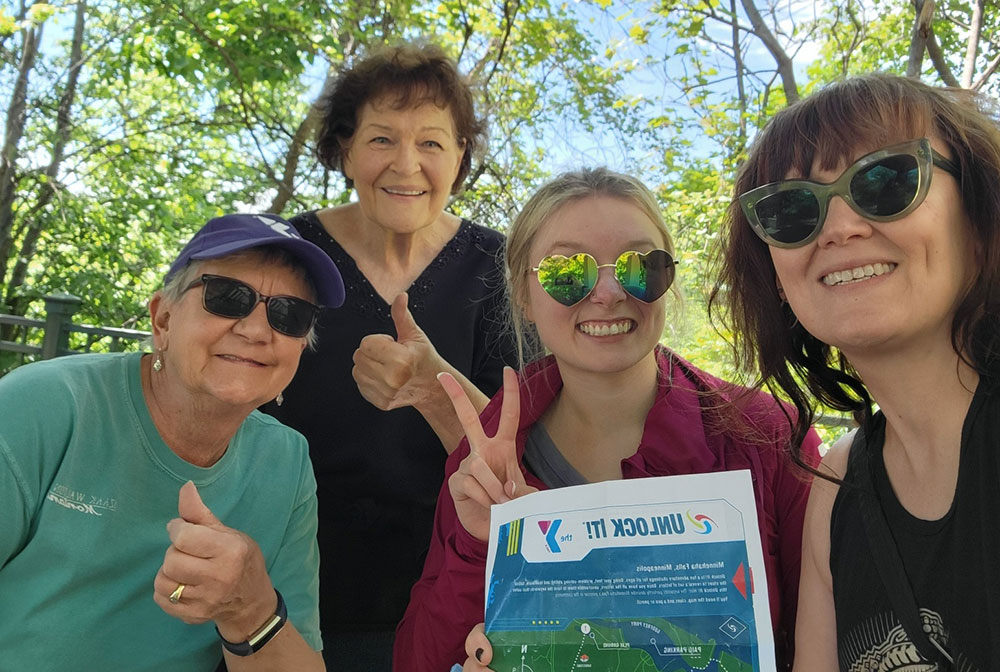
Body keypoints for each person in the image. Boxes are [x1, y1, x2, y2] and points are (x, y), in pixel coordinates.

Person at [397, 167, 822, 672]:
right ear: (523, 295)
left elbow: (828, 639)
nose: (608, 292)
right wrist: (478, 545)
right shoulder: (487, 456)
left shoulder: (767, 433)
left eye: (640, 267)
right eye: (567, 272)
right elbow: (419, 660)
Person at [713, 74, 1000, 670]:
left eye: (886, 181)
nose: (840, 228)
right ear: (780, 282)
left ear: (978, 218)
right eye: (791, 210)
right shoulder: (837, 481)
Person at [262, 42, 519, 668]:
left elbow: (520, 450)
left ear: (460, 157)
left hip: (453, 600)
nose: (407, 164)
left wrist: (435, 388)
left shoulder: (500, 268)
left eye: (432, 142)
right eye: (381, 139)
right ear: (344, 149)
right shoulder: (288, 254)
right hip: (284, 593)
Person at [0, 213, 345, 671]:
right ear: (162, 319)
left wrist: (250, 611)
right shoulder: (43, 405)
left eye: (290, 314)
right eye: (227, 298)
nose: (258, 330)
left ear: (301, 347)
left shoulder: (286, 461)